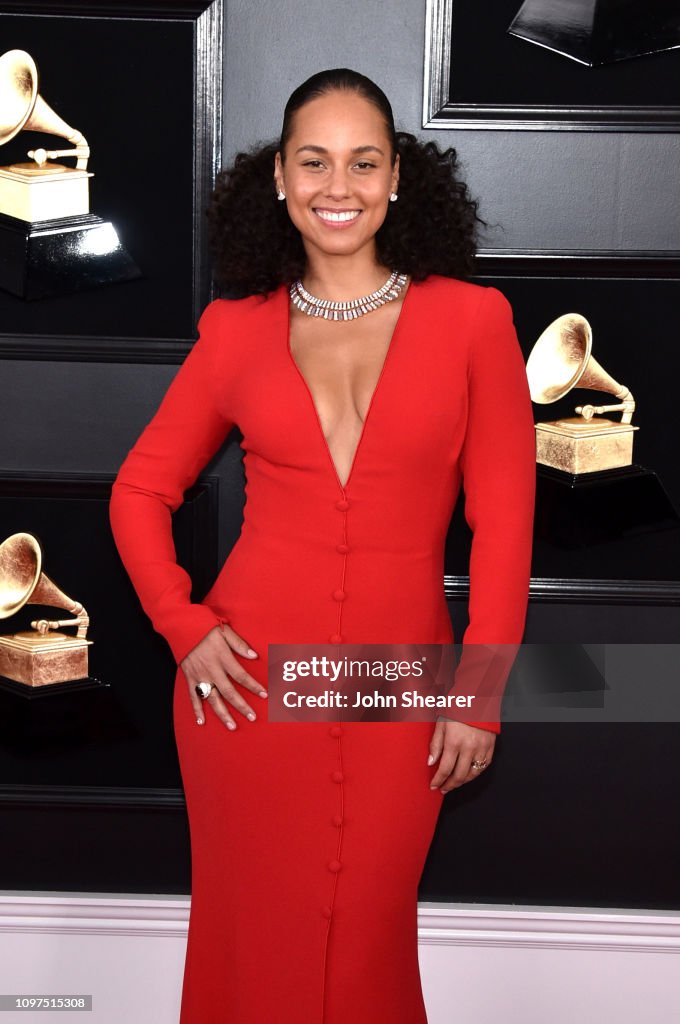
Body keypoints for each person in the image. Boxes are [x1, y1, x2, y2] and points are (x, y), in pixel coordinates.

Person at [109, 68, 535, 1024]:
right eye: (313, 161)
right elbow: (139, 490)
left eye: (362, 162)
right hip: (249, 683)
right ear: (279, 179)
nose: (336, 185)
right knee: (251, 932)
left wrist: (479, 692)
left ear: (394, 181)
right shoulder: (234, 331)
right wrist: (184, 626)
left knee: (371, 930)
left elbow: (506, 523)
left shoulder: (475, 322)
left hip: (398, 679)